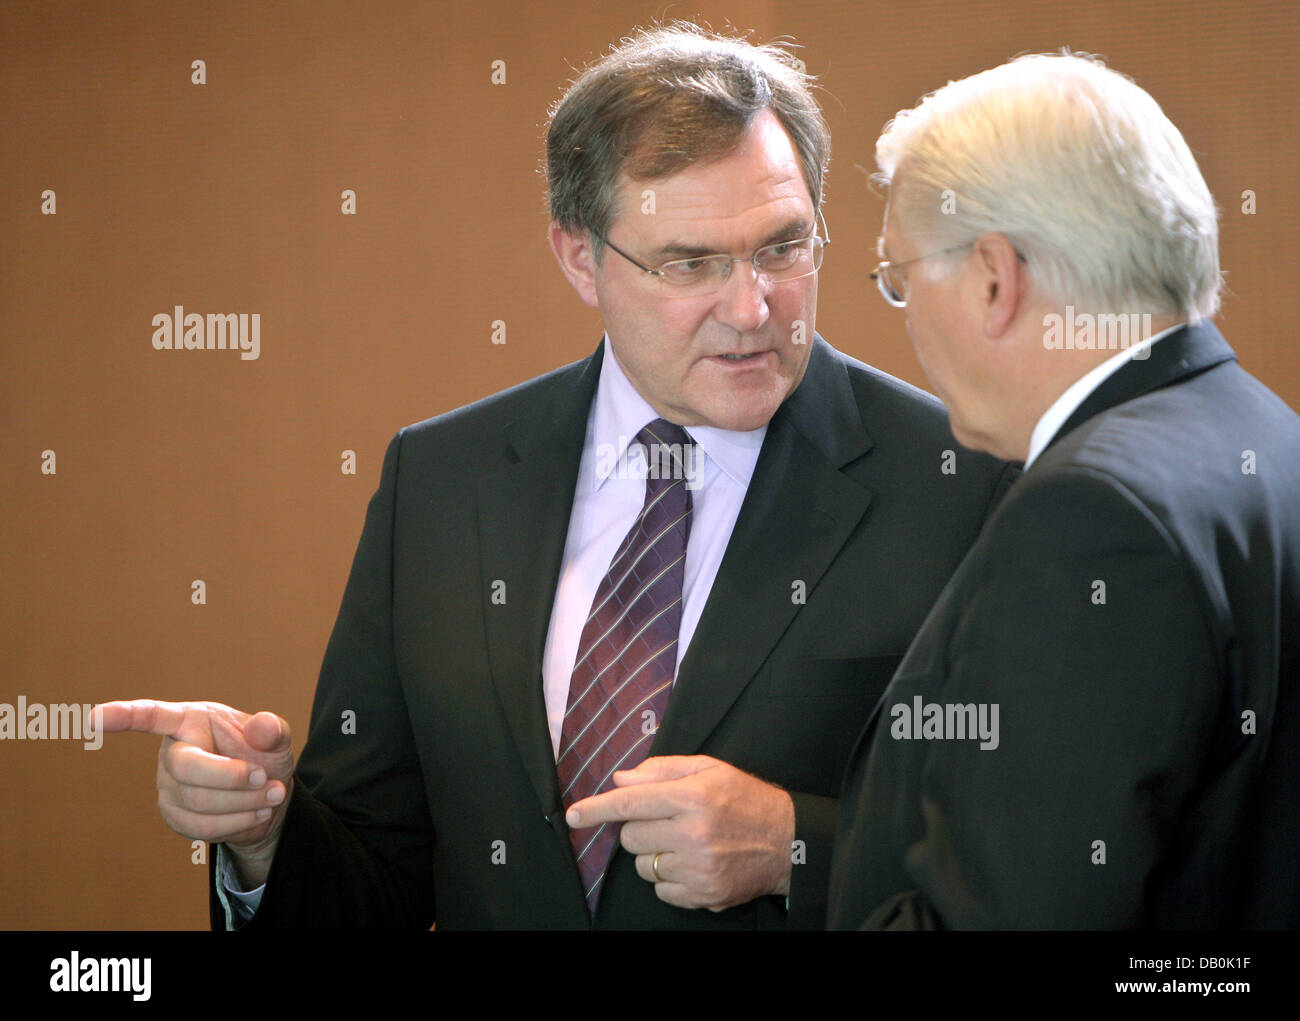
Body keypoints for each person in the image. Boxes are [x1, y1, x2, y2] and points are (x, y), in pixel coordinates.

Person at [100, 23, 1011, 930]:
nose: (751, 307)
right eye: (690, 263)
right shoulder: (442, 482)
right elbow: (379, 869)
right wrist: (264, 833)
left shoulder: (964, 483)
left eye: (782, 248)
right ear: (581, 257)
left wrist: (792, 847)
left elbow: (1035, 858)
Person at [828, 52, 1300, 929]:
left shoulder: (1089, 518)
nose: (904, 315)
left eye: (899, 278)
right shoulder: (1263, 433)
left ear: (994, 278)